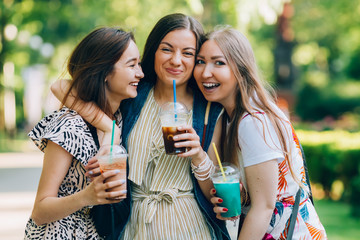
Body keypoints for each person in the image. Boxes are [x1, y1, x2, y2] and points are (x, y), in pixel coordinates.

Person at [51, 13, 230, 239]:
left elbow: (213, 193)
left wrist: (198, 156)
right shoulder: (132, 94)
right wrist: (108, 125)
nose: (176, 60)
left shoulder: (209, 110)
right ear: (153, 51)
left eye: (188, 53)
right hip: (133, 225)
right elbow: (61, 86)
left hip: (189, 225)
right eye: (167, 49)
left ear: (196, 60)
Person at [193, 26, 327, 239]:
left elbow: (263, 207)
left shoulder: (253, 121)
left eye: (219, 62)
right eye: (200, 61)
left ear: (240, 69)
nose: (205, 72)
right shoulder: (228, 118)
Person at [24, 27, 144, 239]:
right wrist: (87, 197)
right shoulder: (70, 126)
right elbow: (39, 212)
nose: (140, 73)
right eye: (131, 65)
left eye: (139, 64)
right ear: (105, 72)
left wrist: (109, 127)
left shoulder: (121, 119)